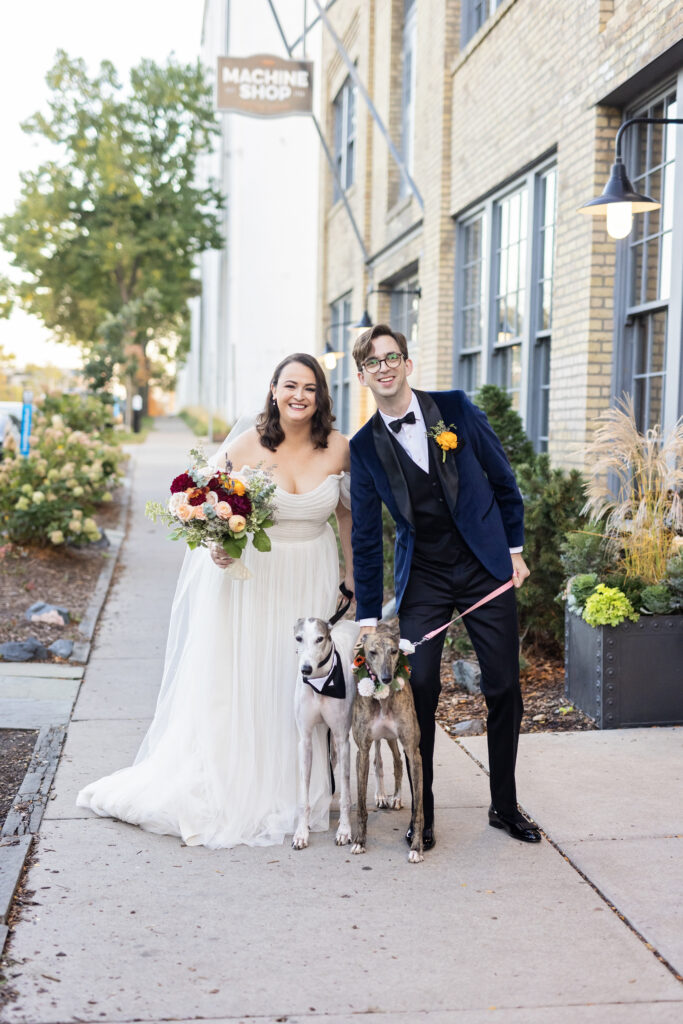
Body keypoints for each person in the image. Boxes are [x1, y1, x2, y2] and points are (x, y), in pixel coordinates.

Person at [77, 353, 356, 849]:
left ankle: (302, 791)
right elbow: (200, 503)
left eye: (310, 388)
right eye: (289, 385)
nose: (299, 396)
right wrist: (215, 545)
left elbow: (348, 518)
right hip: (253, 581)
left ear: (321, 397)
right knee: (254, 679)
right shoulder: (247, 443)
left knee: (301, 684)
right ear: (273, 390)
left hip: (312, 576)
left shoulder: (338, 448)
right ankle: (243, 786)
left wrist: (350, 578)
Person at [349, 325, 540, 850]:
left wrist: (514, 550)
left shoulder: (454, 407)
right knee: (423, 688)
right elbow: (367, 537)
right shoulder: (363, 448)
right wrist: (368, 617)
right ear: (361, 375)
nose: (384, 367)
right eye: (372, 361)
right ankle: (423, 814)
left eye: (392, 357)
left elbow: (503, 479)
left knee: (504, 686)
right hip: (426, 576)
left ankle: (504, 805)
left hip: (483, 562)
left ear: (407, 363)